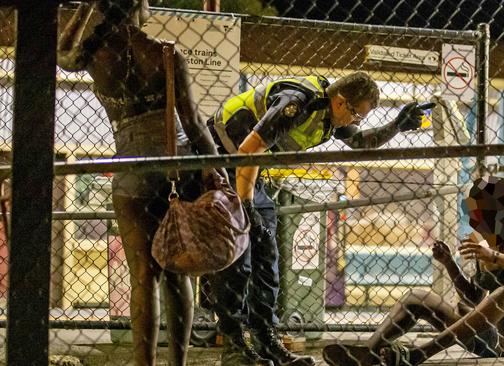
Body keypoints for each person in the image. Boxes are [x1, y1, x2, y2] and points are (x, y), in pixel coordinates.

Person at [203, 72, 431, 366]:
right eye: (356, 114)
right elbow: (249, 149)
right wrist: (246, 207)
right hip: (220, 161)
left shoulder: (329, 115)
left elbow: (362, 142)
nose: (356, 122)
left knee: (266, 255)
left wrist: (398, 125)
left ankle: (265, 339)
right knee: (238, 256)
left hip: (248, 170)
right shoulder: (298, 102)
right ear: (340, 102)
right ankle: (234, 346)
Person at [57, 1, 220, 365]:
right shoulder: (165, 53)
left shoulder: (95, 54)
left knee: (143, 278)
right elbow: (193, 123)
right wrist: (215, 168)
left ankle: (143, 363)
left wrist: (85, 9)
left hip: (131, 172)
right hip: (176, 167)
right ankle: (178, 362)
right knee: (179, 271)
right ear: (138, 9)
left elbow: (62, 54)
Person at [322, 176, 504, 366]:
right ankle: (366, 354)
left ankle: (419, 354)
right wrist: (450, 264)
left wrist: (496, 257)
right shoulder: (483, 247)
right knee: (418, 297)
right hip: (492, 339)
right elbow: (475, 299)